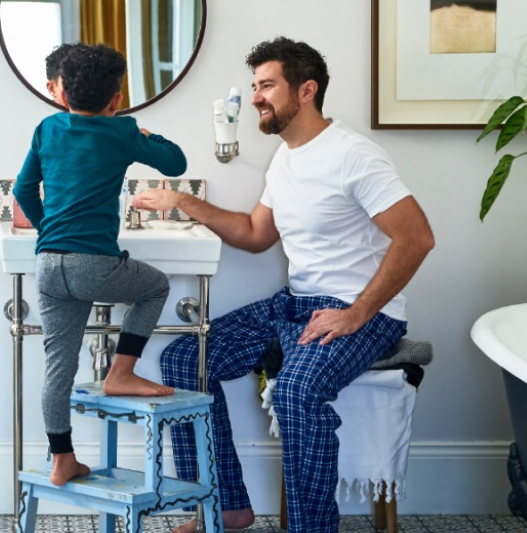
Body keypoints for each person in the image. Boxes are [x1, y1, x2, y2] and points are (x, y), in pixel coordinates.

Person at [132, 36, 435, 533]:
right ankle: (223, 506)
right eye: (255, 86)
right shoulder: (286, 159)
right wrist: (183, 202)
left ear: (306, 90)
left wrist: (357, 312)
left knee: (294, 390)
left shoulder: (355, 155)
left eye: (267, 85)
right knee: (184, 359)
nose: (255, 96)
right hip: (294, 304)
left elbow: (417, 238)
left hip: (362, 312)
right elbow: (255, 235)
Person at [13, 43, 188, 487]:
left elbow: (23, 190)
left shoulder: (47, 128)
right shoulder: (123, 130)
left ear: (63, 94)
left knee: (59, 365)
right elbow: (176, 161)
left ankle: (62, 459)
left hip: (50, 265)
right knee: (154, 286)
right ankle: (121, 372)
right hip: (95, 263)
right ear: (116, 97)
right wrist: (140, 133)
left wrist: (47, 229)